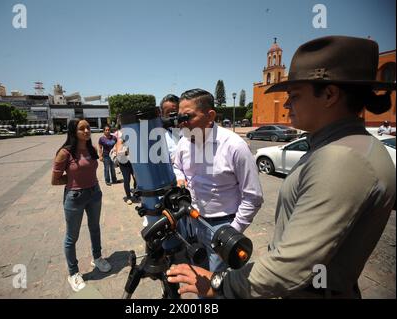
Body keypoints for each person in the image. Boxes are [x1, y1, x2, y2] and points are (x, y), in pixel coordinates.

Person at [167, 36, 396, 299]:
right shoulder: (345, 146)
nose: (286, 105)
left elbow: (289, 268)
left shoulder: (343, 158)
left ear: (330, 95)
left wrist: (218, 283)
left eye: (294, 96)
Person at [172, 88, 264, 272]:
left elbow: (253, 197)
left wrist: (231, 231)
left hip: (223, 224)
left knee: (217, 284)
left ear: (210, 115)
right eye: (179, 117)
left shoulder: (235, 147)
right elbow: (177, 166)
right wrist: (180, 178)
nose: (182, 124)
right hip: (193, 220)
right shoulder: (183, 141)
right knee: (198, 275)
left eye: (187, 117)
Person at [51, 118, 112, 292]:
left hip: (94, 193)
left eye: (87, 128)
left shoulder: (92, 150)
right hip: (75, 197)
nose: (86, 131)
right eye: (81, 129)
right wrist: (72, 180)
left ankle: (97, 257)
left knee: (95, 228)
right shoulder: (65, 153)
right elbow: (54, 180)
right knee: (72, 236)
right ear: (73, 132)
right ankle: (73, 273)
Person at [114, 122, 137, 205]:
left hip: (132, 161)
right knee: (127, 179)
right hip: (123, 163)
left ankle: (136, 194)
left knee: (136, 178)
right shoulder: (120, 139)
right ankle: (128, 197)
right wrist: (127, 151)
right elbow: (118, 152)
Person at [160, 94, 181, 162]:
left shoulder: (191, 131)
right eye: (168, 113)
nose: (172, 116)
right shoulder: (159, 137)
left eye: (174, 112)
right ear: (162, 114)